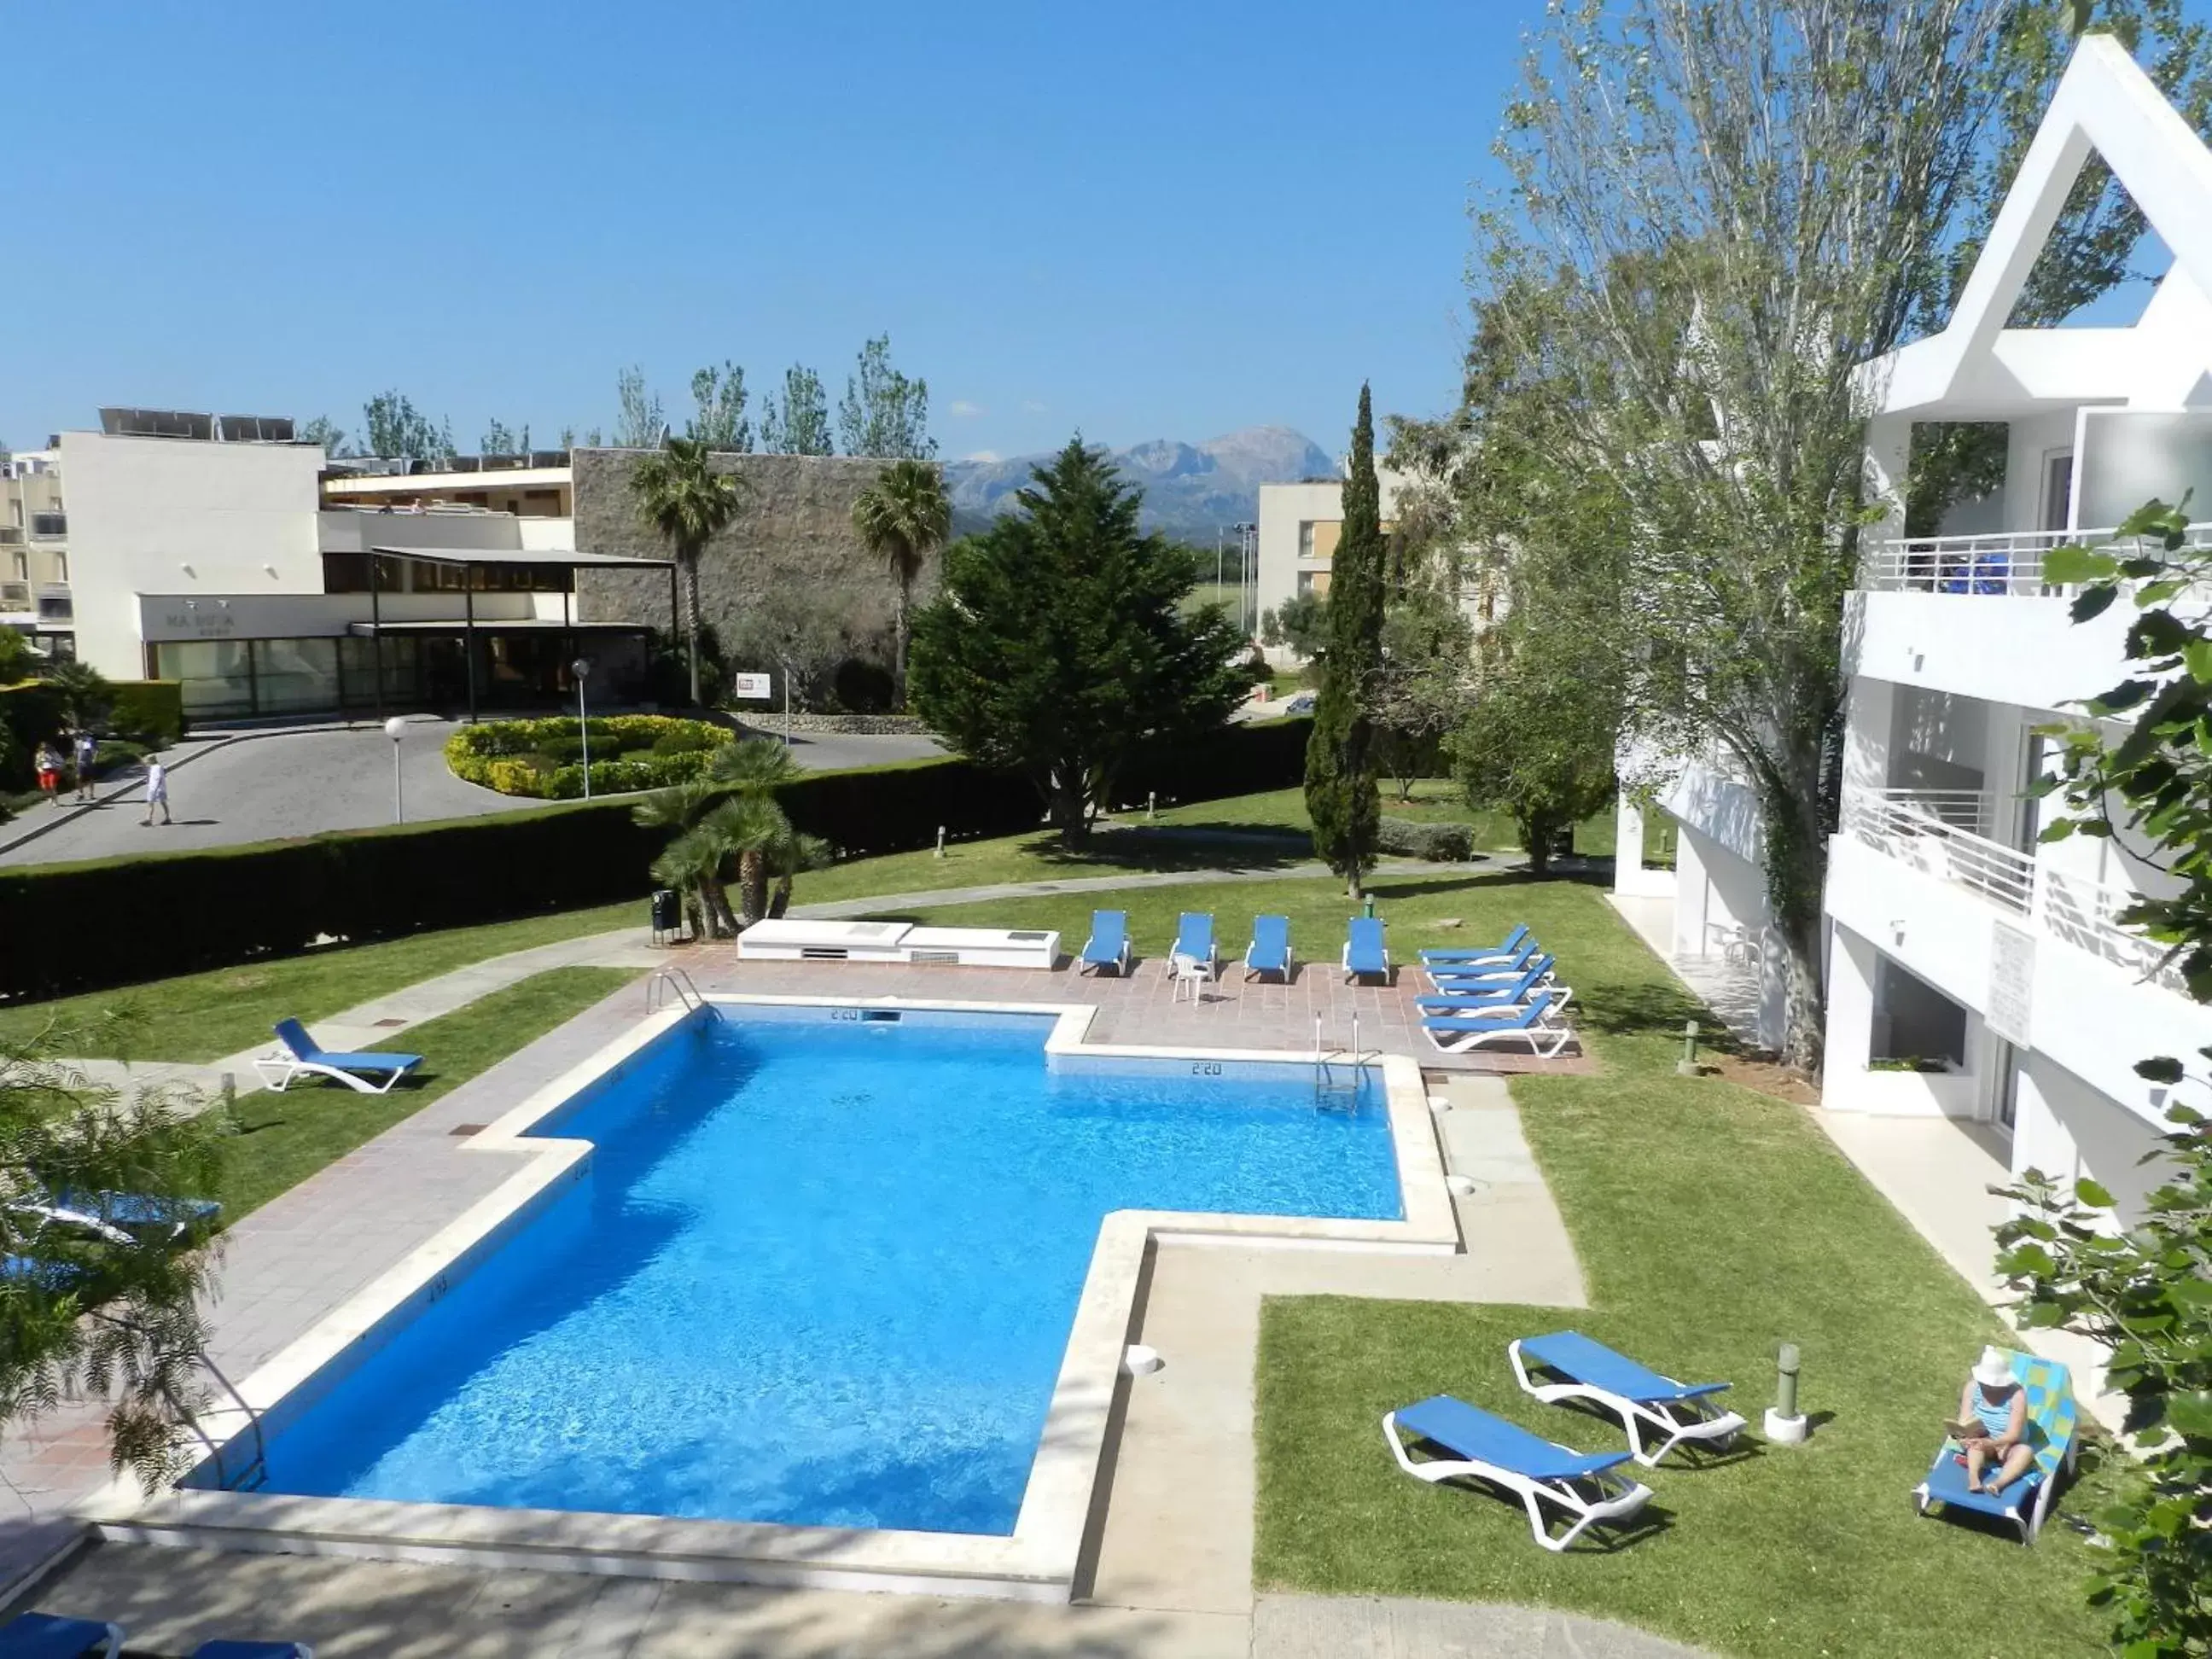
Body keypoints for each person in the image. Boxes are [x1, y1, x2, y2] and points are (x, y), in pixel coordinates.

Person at [1955, 1344, 2032, 1495]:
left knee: (2026, 1451)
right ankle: (1973, 1478)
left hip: (2010, 1444)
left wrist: (1994, 1443)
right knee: (1975, 1444)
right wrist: (1964, 1437)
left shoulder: (2017, 1395)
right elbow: (1964, 1420)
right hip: (1982, 1438)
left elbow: (2014, 1434)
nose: (1988, 1388)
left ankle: (1998, 1484)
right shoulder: (1972, 1387)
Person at [142, 752, 172, 826]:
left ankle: (168, 818)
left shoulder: (158, 767)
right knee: (150, 804)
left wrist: (156, 788)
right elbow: (152, 778)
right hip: (152, 789)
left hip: (158, 789)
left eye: (148, 760)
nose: (147, 762)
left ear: (151, 760)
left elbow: (158, 778)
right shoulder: (152, 768)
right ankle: (148, 819)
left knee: (163, 803)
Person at [72, 729, 98, 802]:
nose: (82, 736)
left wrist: (94, 759)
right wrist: (74, 761)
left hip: (88, 763)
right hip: (80, 763)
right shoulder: (77, 742)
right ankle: (81, 794)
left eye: (83, 734)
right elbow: (76, 752)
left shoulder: (88, 742)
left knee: (90, 779)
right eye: (80, 735)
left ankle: (91, 794)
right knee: (78, 778)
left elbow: (94, 751)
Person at [32, 742, 61, 807]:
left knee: (52, 786)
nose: (45, 749)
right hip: (44, 772)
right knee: (44, 787)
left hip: (52, 771)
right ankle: (50, 797)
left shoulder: (53, 753)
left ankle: (55, 801)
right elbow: (37, 764)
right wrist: (40, 770)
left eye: (46, 748)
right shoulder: (39, 755)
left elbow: (60, 761)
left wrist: (57, 766)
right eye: (43, 748)